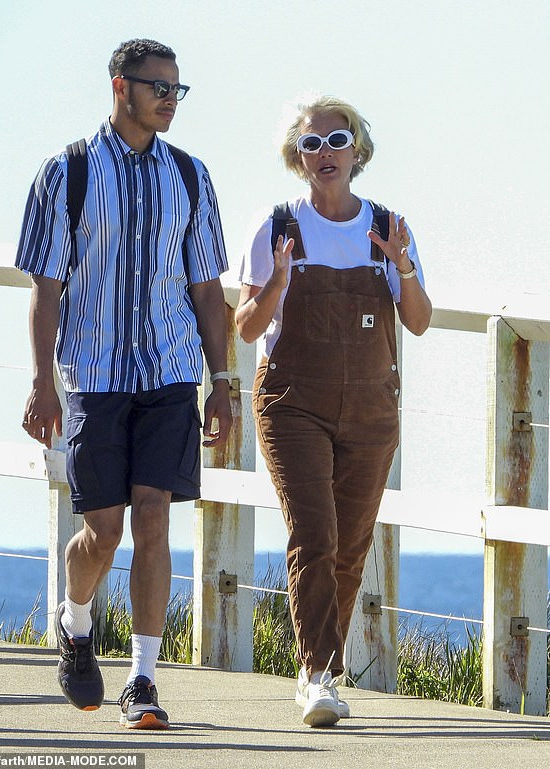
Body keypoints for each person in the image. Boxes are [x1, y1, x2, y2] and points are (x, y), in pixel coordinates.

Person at [15, 38, 232, 731]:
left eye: (177, 89)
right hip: (95, 376)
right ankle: (75, 620)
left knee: (156, 516)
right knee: (102, 533)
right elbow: (45, 287)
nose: (169, 99)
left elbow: (207, 288)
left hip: (170, 374)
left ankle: (143, 678)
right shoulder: (67, 172)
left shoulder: (192, 177)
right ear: (121, 87)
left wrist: (221, 380)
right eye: (157, 87)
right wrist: (41, 382)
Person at [235, 96, 432, 727]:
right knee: (313, 533)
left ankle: (320, 666)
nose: (325, 153)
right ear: (297, 155)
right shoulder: (275, 226)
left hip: (372, 406)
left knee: (351, 545)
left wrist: (401, 263)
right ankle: (318, 673)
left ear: (358, 150)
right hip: (294, 403)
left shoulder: (390, 227)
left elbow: (420, 321)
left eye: (336, 140)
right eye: (311, 143)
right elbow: (245, 327)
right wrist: (278, 281)